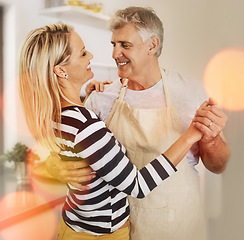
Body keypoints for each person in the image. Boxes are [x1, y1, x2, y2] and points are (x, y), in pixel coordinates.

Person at [41, 6, 231, 240]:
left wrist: (211, 139)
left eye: (125, 45)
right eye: (114, 44)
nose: (114, 54)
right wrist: (55, 167)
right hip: (126, 226)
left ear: (152, 45)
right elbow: (70, 148)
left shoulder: (190, 93)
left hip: (180, 226)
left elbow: (218, 166)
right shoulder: (101, 97)